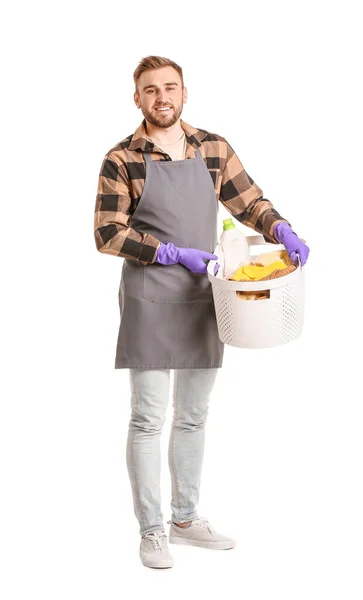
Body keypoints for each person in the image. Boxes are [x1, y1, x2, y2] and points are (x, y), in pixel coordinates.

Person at [94, 55, 310, 569]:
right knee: (148, 417)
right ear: (138, 99)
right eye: (151, 90)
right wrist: (168, 252)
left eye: (170, 87)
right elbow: (107, 233)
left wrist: (280, 228)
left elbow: (248, 199)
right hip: (149, 296)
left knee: (193, 415)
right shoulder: (121, 158)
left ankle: (185, 519)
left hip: (204, 297)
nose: (162, 97)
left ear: (184, 93)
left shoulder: (211, 147)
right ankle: (151, 530)